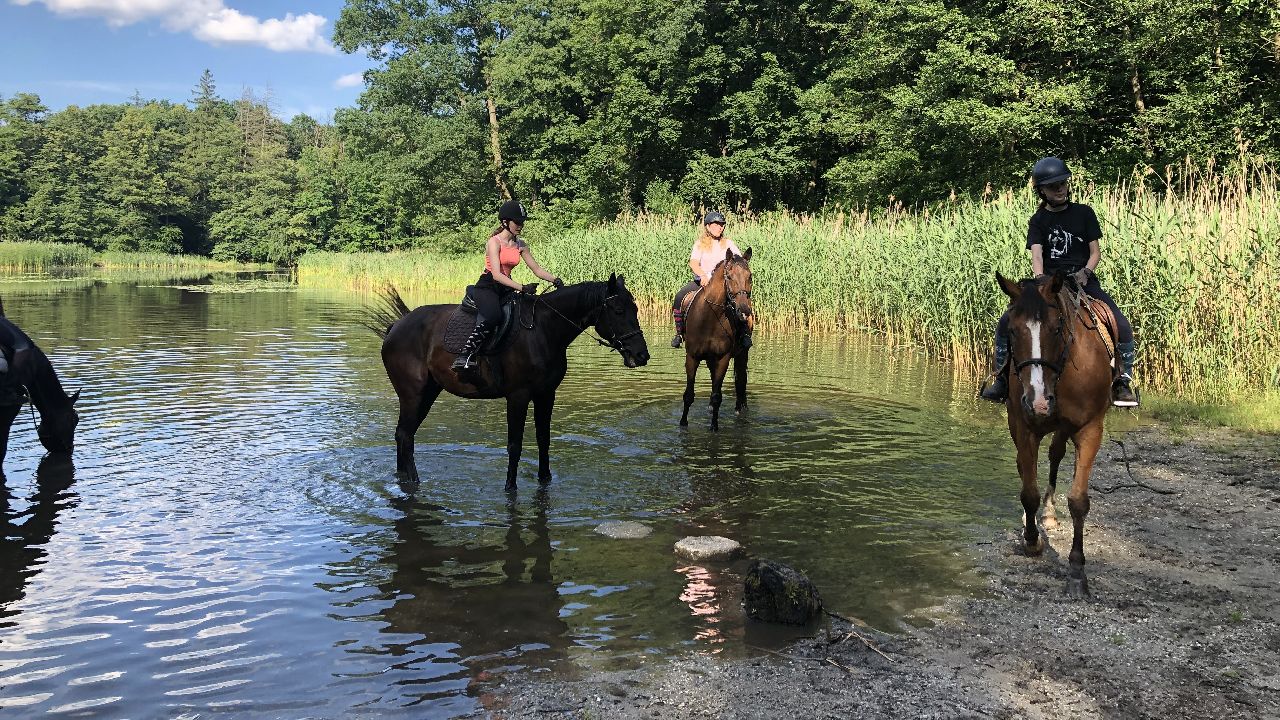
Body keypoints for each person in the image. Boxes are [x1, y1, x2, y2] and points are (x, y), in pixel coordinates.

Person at [981, 157, 1139, 407]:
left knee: (1121, 323)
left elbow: (1095, 252)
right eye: (1053, 186)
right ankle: (1001, 379)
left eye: (1063, 183)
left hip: (1084, 281)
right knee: (1005, 322)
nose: (1060, 188)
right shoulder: (1039, 220)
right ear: (1041, 191)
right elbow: (1036, 253)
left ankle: (1122, 382)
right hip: (1049, 284)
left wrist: (1085, 272)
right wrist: (1041, 279)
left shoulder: (1084, 213)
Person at [452, 199, 564, 372]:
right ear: (505, 222)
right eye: (517, 222)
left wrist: (554, 279)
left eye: (522, 222)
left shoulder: (521, 245)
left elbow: (536, 269)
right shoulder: (494, 242)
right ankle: (465, 355)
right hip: (488, 286)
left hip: (507, 287)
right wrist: (522, 287)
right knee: (493, 316)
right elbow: (496, 275)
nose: (521, 226)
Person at [671, 211, 742, 348]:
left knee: (741, 301)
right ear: (708, 226)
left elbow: (738, 261)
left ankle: (744, 334)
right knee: (679, 297)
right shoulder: (700, 244)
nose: (719, 227)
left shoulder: (728, 243)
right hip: (702, 281)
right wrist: (702, 275)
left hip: (724, 283)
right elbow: (693, 263)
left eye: (722, 225)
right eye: (716, 224)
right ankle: (679, 333)